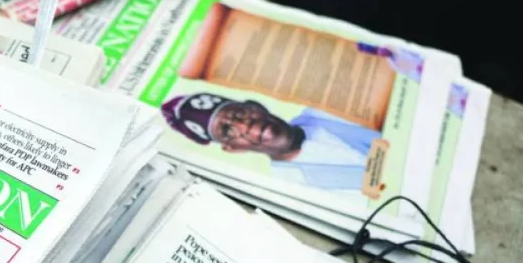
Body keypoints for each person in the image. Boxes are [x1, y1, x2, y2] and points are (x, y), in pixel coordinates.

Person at [161, 92, 382, 190]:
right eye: (227, 130)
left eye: (239, 113)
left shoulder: (328, 108)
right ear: (233, 149)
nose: (245, 126)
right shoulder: (292, 187)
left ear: (256, 105)